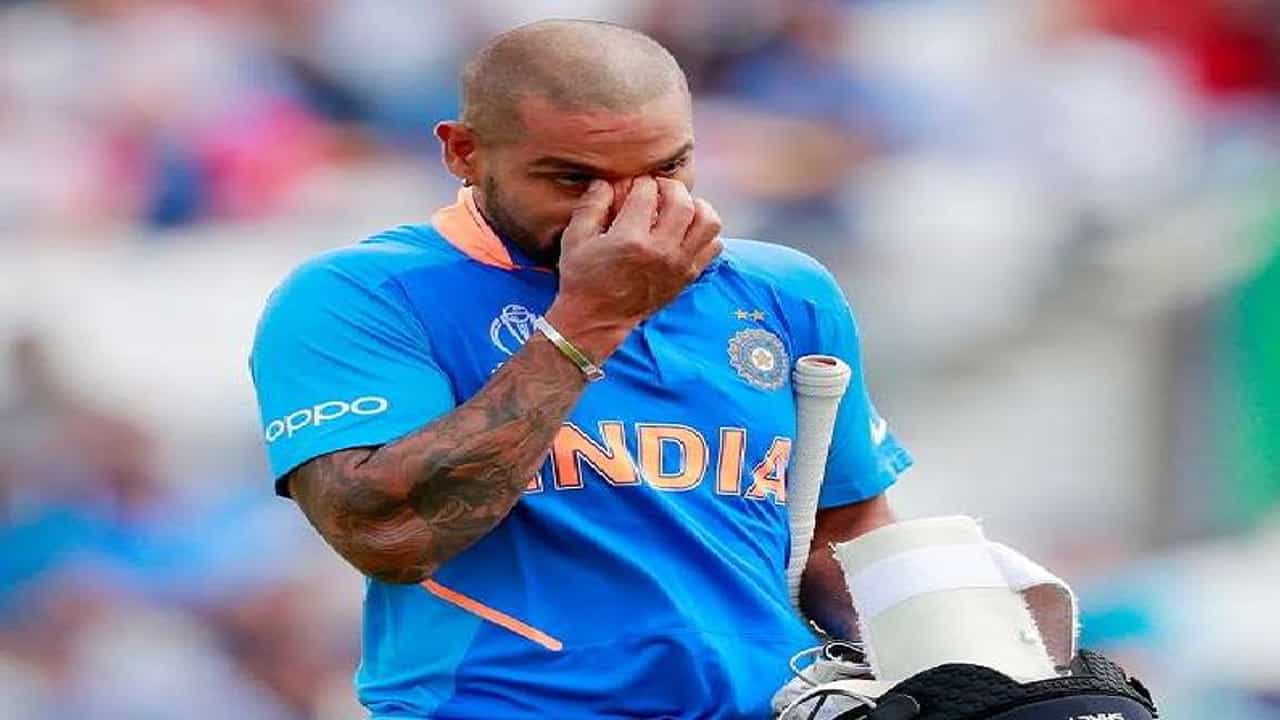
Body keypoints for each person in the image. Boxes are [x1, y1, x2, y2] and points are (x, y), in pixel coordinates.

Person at [249, 19, 912, 720]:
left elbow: (845, 522)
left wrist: (950, 663)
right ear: (463, 152)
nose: (630, 213)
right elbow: (389, 537)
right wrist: (588, 321)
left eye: (665, 170)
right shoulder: (361, 296)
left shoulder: (784, 291)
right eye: (574, 179)